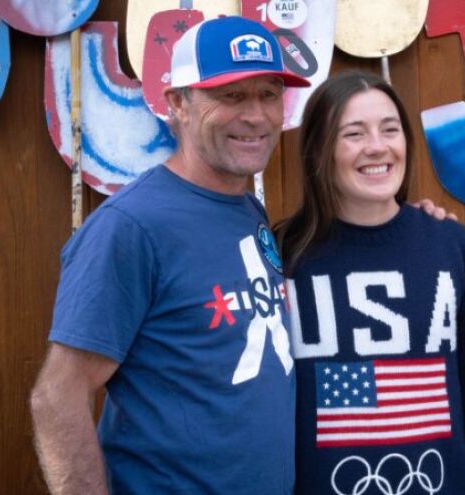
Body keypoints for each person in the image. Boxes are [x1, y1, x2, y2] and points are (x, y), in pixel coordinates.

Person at [30, 17, 310, 494]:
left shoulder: (246, 210)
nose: (257, 115)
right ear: (177, 103)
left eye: (268, 94)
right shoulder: (131, 227)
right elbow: (57, 396)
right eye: (231, 95)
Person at [275, 71, 465, 494]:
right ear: (318, 151)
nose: (377, 146)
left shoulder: (452, 247)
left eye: (390, 129)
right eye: (353, 133)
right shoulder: (282, 256)